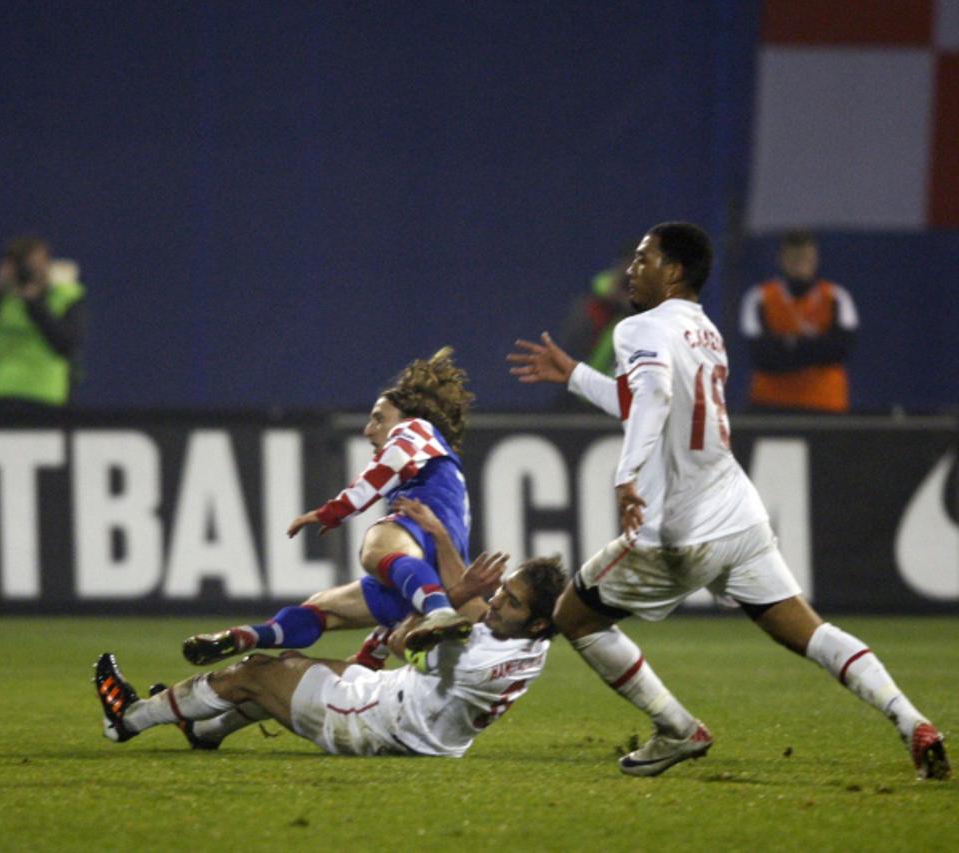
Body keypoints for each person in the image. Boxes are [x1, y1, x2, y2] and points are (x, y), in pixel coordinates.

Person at [506, 221, 948, 780]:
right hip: (737, 514)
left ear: (675, 272)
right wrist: (574, 375)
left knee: (574, 615)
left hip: (680, 529)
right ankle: (913, 723)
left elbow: (655, 395)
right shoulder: (706, 333)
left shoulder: (638, 328)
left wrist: (627, 475)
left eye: (645, 258)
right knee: (811, 632)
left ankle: (677, 730)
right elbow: (641, 401)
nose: (632, 269)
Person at [95, 554, 565, 757]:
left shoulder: (474, 660)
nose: (497, 603)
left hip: (372, 723)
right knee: (298, 672)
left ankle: (128, 719)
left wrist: (449, 592)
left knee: (257, 672)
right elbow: (465, 623)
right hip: (415, 718)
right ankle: (204, 730)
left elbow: (406, 639)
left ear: (538, 621)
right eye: (503, 591)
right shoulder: (531, 645)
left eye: (511, 601)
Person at [181, 347, 479, 664]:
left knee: (377, 548)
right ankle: (247, 636)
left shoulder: (416, 429)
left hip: (426, 539)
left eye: (379, 419)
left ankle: (439, 614)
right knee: (322, 608)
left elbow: (390, 463)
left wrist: (332, 512)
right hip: (434, 574)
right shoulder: (438, 464)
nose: (369, 430)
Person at [0, 235, 86, 408]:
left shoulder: (65, 297)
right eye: (21, 267)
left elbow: (66, 344)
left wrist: (33, 303)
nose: (28, 273)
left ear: (47, 266)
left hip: (46, 398)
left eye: (34, 267)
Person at [739, 230, 858, 412]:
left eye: (806, 258)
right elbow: (763, 356)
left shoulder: (836, 297)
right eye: (794, 258)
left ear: (815, 258)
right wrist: (816, 346)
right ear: (781, 259)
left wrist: (788, 344)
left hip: (826, 405)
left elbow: (839, 350)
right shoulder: (759, 298)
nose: (800, 264)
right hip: (771, 405)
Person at [556, 244, 633, 409]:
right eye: (628, 264)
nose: (631, 272)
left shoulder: (656, 311)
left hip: (627, 398)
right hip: (582, 393)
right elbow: (571, 341)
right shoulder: (593, 304)